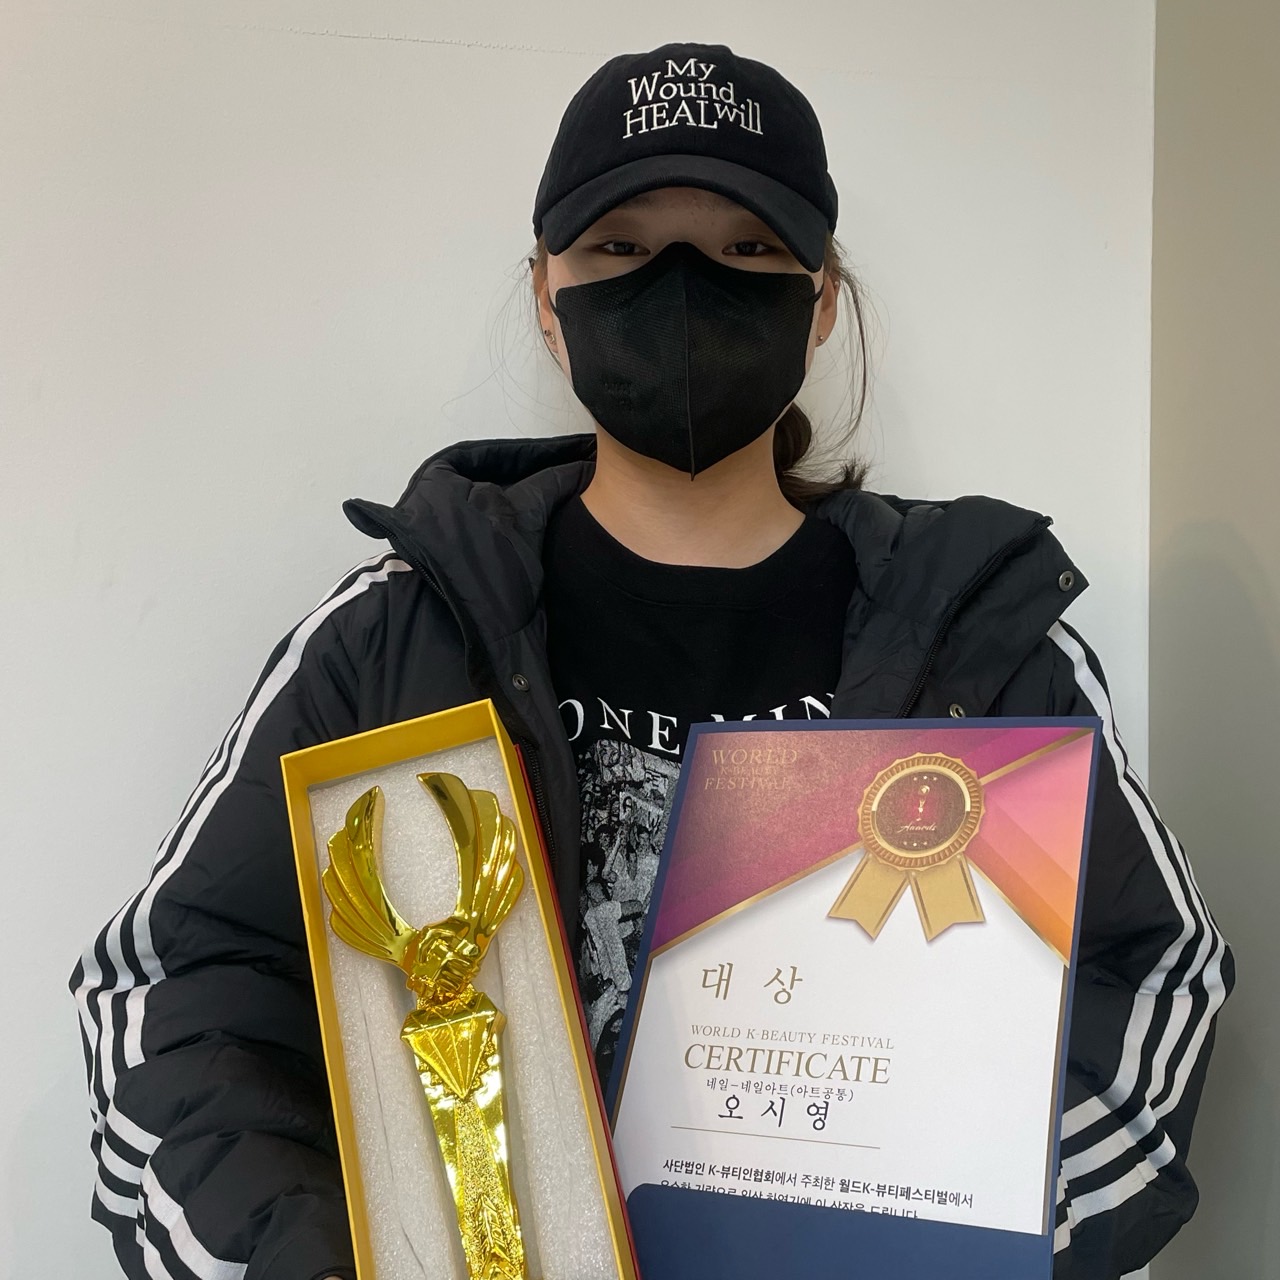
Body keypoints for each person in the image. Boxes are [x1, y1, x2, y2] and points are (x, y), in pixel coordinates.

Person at [70, 39, 1233, 1280]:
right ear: (544, 292)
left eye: (746, 249)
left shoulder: (979, 645)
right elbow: (174, 991)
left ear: (819, 299)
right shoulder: (391, 639)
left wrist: (958, 1244)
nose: (681, 291)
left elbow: (1148, 978)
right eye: (620, 247)